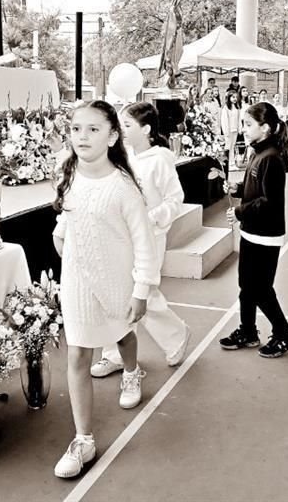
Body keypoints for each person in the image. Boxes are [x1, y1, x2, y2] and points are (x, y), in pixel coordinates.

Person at [50, 100, 160, 478]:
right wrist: (60, 233)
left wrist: (141, 290)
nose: (83, 136)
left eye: (94, 129)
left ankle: (130, 371)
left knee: (123, 333)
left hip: (116, 280)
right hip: (77, 282)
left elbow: (144, 243)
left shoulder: (124, 187)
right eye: (77, 128)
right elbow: (68, 212)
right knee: (78, 354)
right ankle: (83, 438)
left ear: (113, 136)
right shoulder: (69, 174)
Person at [90, 102, 192, 379]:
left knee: (142, 293)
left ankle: (176, 336)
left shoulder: (160, 160)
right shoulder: (125, 157)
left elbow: (175, 199)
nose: (121, 131)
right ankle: (114, 354)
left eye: (127, 125)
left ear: (145, 129)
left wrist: (151, 218)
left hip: (150, 238)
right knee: (119, 293)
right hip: (123, 237)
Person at [219, 103, 288, 358]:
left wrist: (240, 211)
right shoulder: (258, 153)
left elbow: (270, 201)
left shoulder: (272, 158)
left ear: (264, 128)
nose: (244, 129)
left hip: (266, 234)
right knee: (246, 285)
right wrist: (237, 189)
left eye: (248, 124)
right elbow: (254, 187)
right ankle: (248, 330)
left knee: (261, 289)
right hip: (251, 232)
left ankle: (284, 333)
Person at [220, 92, 242, 170]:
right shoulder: (226, 108)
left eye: (236, 97)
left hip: (234, 130)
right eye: (233, 97)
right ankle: (228, 164)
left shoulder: (237, 108)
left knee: (232, 147)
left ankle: (232, 164)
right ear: (229, 98)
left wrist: (240, 128)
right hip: (228, 131)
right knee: (228, 147)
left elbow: (239, 119)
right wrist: (226, 132)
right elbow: (224, 121)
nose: (235, 99)